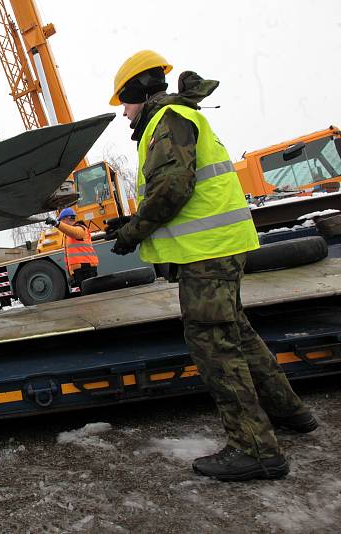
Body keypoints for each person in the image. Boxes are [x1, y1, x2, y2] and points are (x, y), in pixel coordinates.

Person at [106, 51, 316, 481]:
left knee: (213, 345)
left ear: (136, 92)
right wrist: (132, 220)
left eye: (123, 102)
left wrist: (132, 234)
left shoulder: (167, 120)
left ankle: (255, 450)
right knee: (236, 333)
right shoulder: (179, 118)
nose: (124, 113)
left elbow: (172, 189)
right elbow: (181, 188)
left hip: (207, 253)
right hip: (220, 246)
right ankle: (291, 413)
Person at [45, 207, 99, 291]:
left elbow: (75, 232)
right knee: (86, 295)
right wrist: (71, 274)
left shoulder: (81, 228)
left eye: (61, 220)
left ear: (67, 218)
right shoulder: (69, 235)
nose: (61, 223)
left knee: (90, 294)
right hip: (80, 270)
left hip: (86, 269)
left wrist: (56, 223)